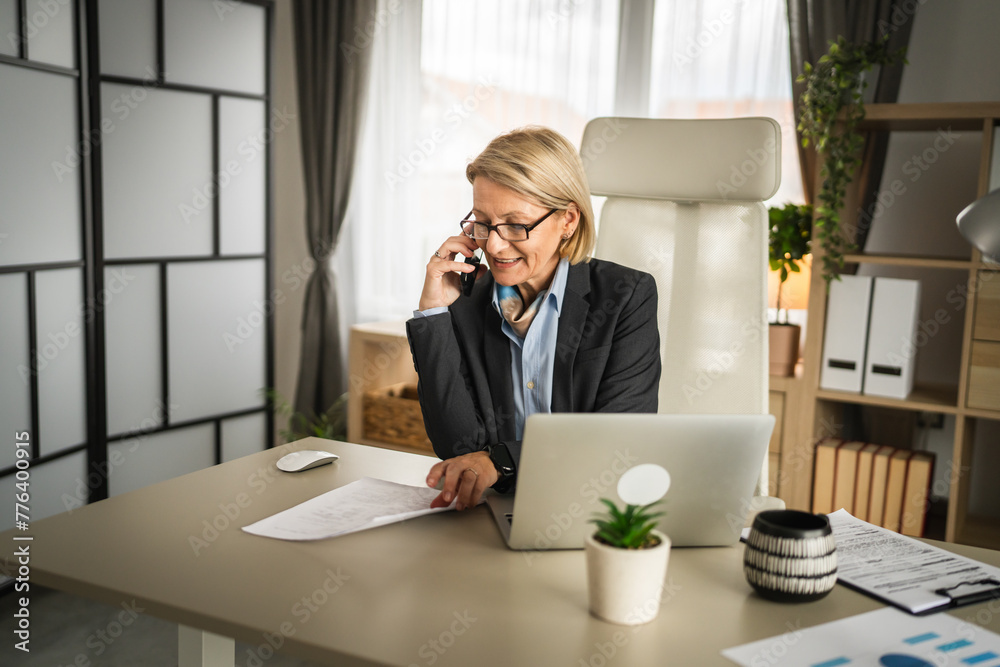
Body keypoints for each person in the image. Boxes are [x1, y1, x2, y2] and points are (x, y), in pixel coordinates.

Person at [406, 126, 661, 511]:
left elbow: (617, 439)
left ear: (568, 221)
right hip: (493, 513)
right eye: (482, 222)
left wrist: (501, 461)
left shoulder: (626, 296)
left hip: (593, 511)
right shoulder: (466, 298)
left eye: (515, 224)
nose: (492, 244)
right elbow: (458, 448)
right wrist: (435, 312)